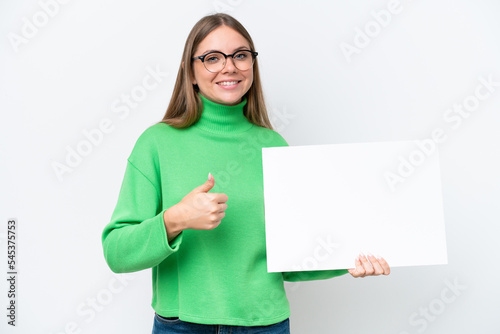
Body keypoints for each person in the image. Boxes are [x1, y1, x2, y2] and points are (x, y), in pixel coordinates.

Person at [101, 13, 390, 334]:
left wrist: (349, 258)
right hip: (184, 326)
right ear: (190, 72)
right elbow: (117, 253)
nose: (230, 67)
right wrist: (175, 219)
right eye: (213, 58)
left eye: (241, 55)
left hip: (266, 325)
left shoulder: (273, 144)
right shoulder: (156, 143)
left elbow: (291, 259)